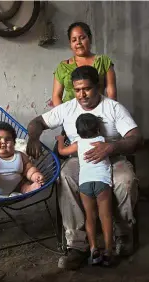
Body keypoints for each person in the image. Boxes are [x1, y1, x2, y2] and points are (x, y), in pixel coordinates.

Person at [27, 65, 142, 270]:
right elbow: (37, 122)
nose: (82, 95)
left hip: (113, 158)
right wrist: (34, 137)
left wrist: (111, 147)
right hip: (79, 160)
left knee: (125, 180)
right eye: (78, 89)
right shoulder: (68, 108)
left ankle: (123, 235)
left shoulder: (113, 108)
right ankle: (77, 245)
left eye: (87, 89)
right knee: (66, 176)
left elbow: (135, 138)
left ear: (97, 86)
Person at [56, 113, 114, 266]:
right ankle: (108, 251)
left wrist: (60, 140)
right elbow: (116, 148)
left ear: (78, 131)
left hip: (85, 183)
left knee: (90, 217)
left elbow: (62, 151)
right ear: (98, 129)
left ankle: (94, 249)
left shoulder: (78, 143)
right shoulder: (103, 141)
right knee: (105, 216)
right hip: (102, 181)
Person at [52, 22, 117, 107]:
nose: (78, 42)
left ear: (90, 39)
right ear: (70, 44)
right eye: (74, 40)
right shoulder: (63, 67)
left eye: (82, 38)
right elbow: (56, 96)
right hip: (69, 114)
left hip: (98, 111)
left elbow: (111, 93)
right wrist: (63, 116)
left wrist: (106, 113)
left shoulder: (103, 62)